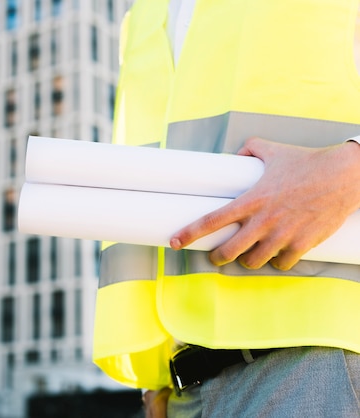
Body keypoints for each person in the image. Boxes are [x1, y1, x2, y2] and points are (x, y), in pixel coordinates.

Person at [91, 1, 360, 417]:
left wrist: (350, 169)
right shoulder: (145, 16)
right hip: (178, 390)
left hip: (319, 362)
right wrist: (155, 379)